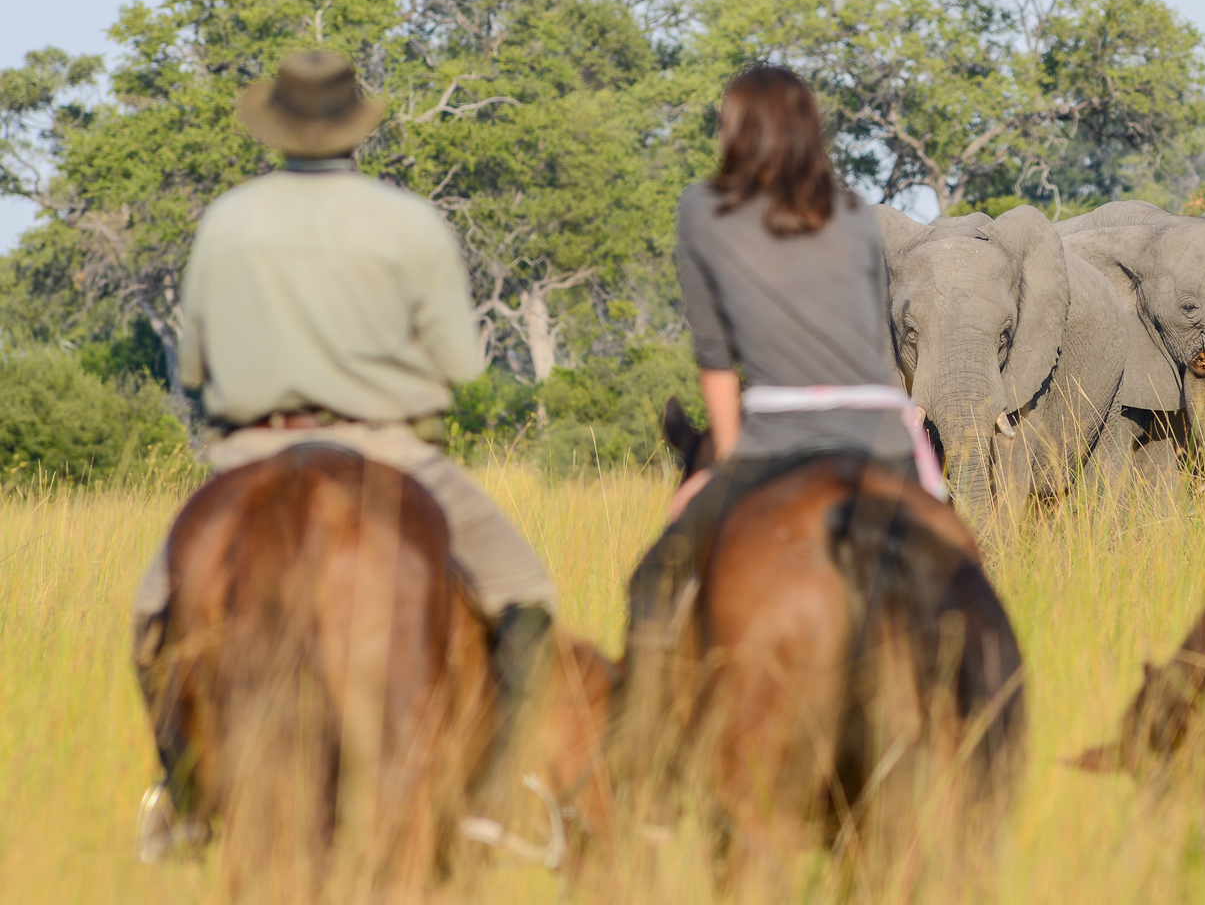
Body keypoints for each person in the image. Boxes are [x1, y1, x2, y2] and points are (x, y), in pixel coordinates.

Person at [133, 51, 558, 857]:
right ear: (356, 129)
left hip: (251, 451)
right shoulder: (407, 222)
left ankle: (185, 800)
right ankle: (493, 802)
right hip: (389, 447)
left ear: (279, 129)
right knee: (525, 593)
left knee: (152, 615)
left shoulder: (228, 220)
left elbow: (192, 367)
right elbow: (462, 366)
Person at [623, 65, 939, 638]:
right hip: (882, 435)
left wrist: (721, 463)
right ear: (809, 131)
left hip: (778, 434)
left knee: (651, 589)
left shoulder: (702, 208)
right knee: (960, 584)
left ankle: (649, 727)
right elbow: (877, 342)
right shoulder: (855, 214)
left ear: (735, 130)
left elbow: (715, 356)